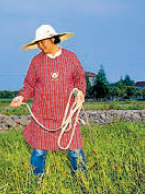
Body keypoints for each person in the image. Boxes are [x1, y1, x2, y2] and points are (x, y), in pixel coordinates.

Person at [10, 24, 87, 178]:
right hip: (42, 115)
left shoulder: (71, 57)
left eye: (42, 41)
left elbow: (80, 80)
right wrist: (21, 96)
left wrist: (80, 93)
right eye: (37, 43)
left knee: (75, 151)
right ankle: (36, 183)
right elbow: (29, 86)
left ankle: (82, 182)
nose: (39, 45)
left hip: (67, 116)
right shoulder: (36, 61)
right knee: (38, 152)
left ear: (52, 39)